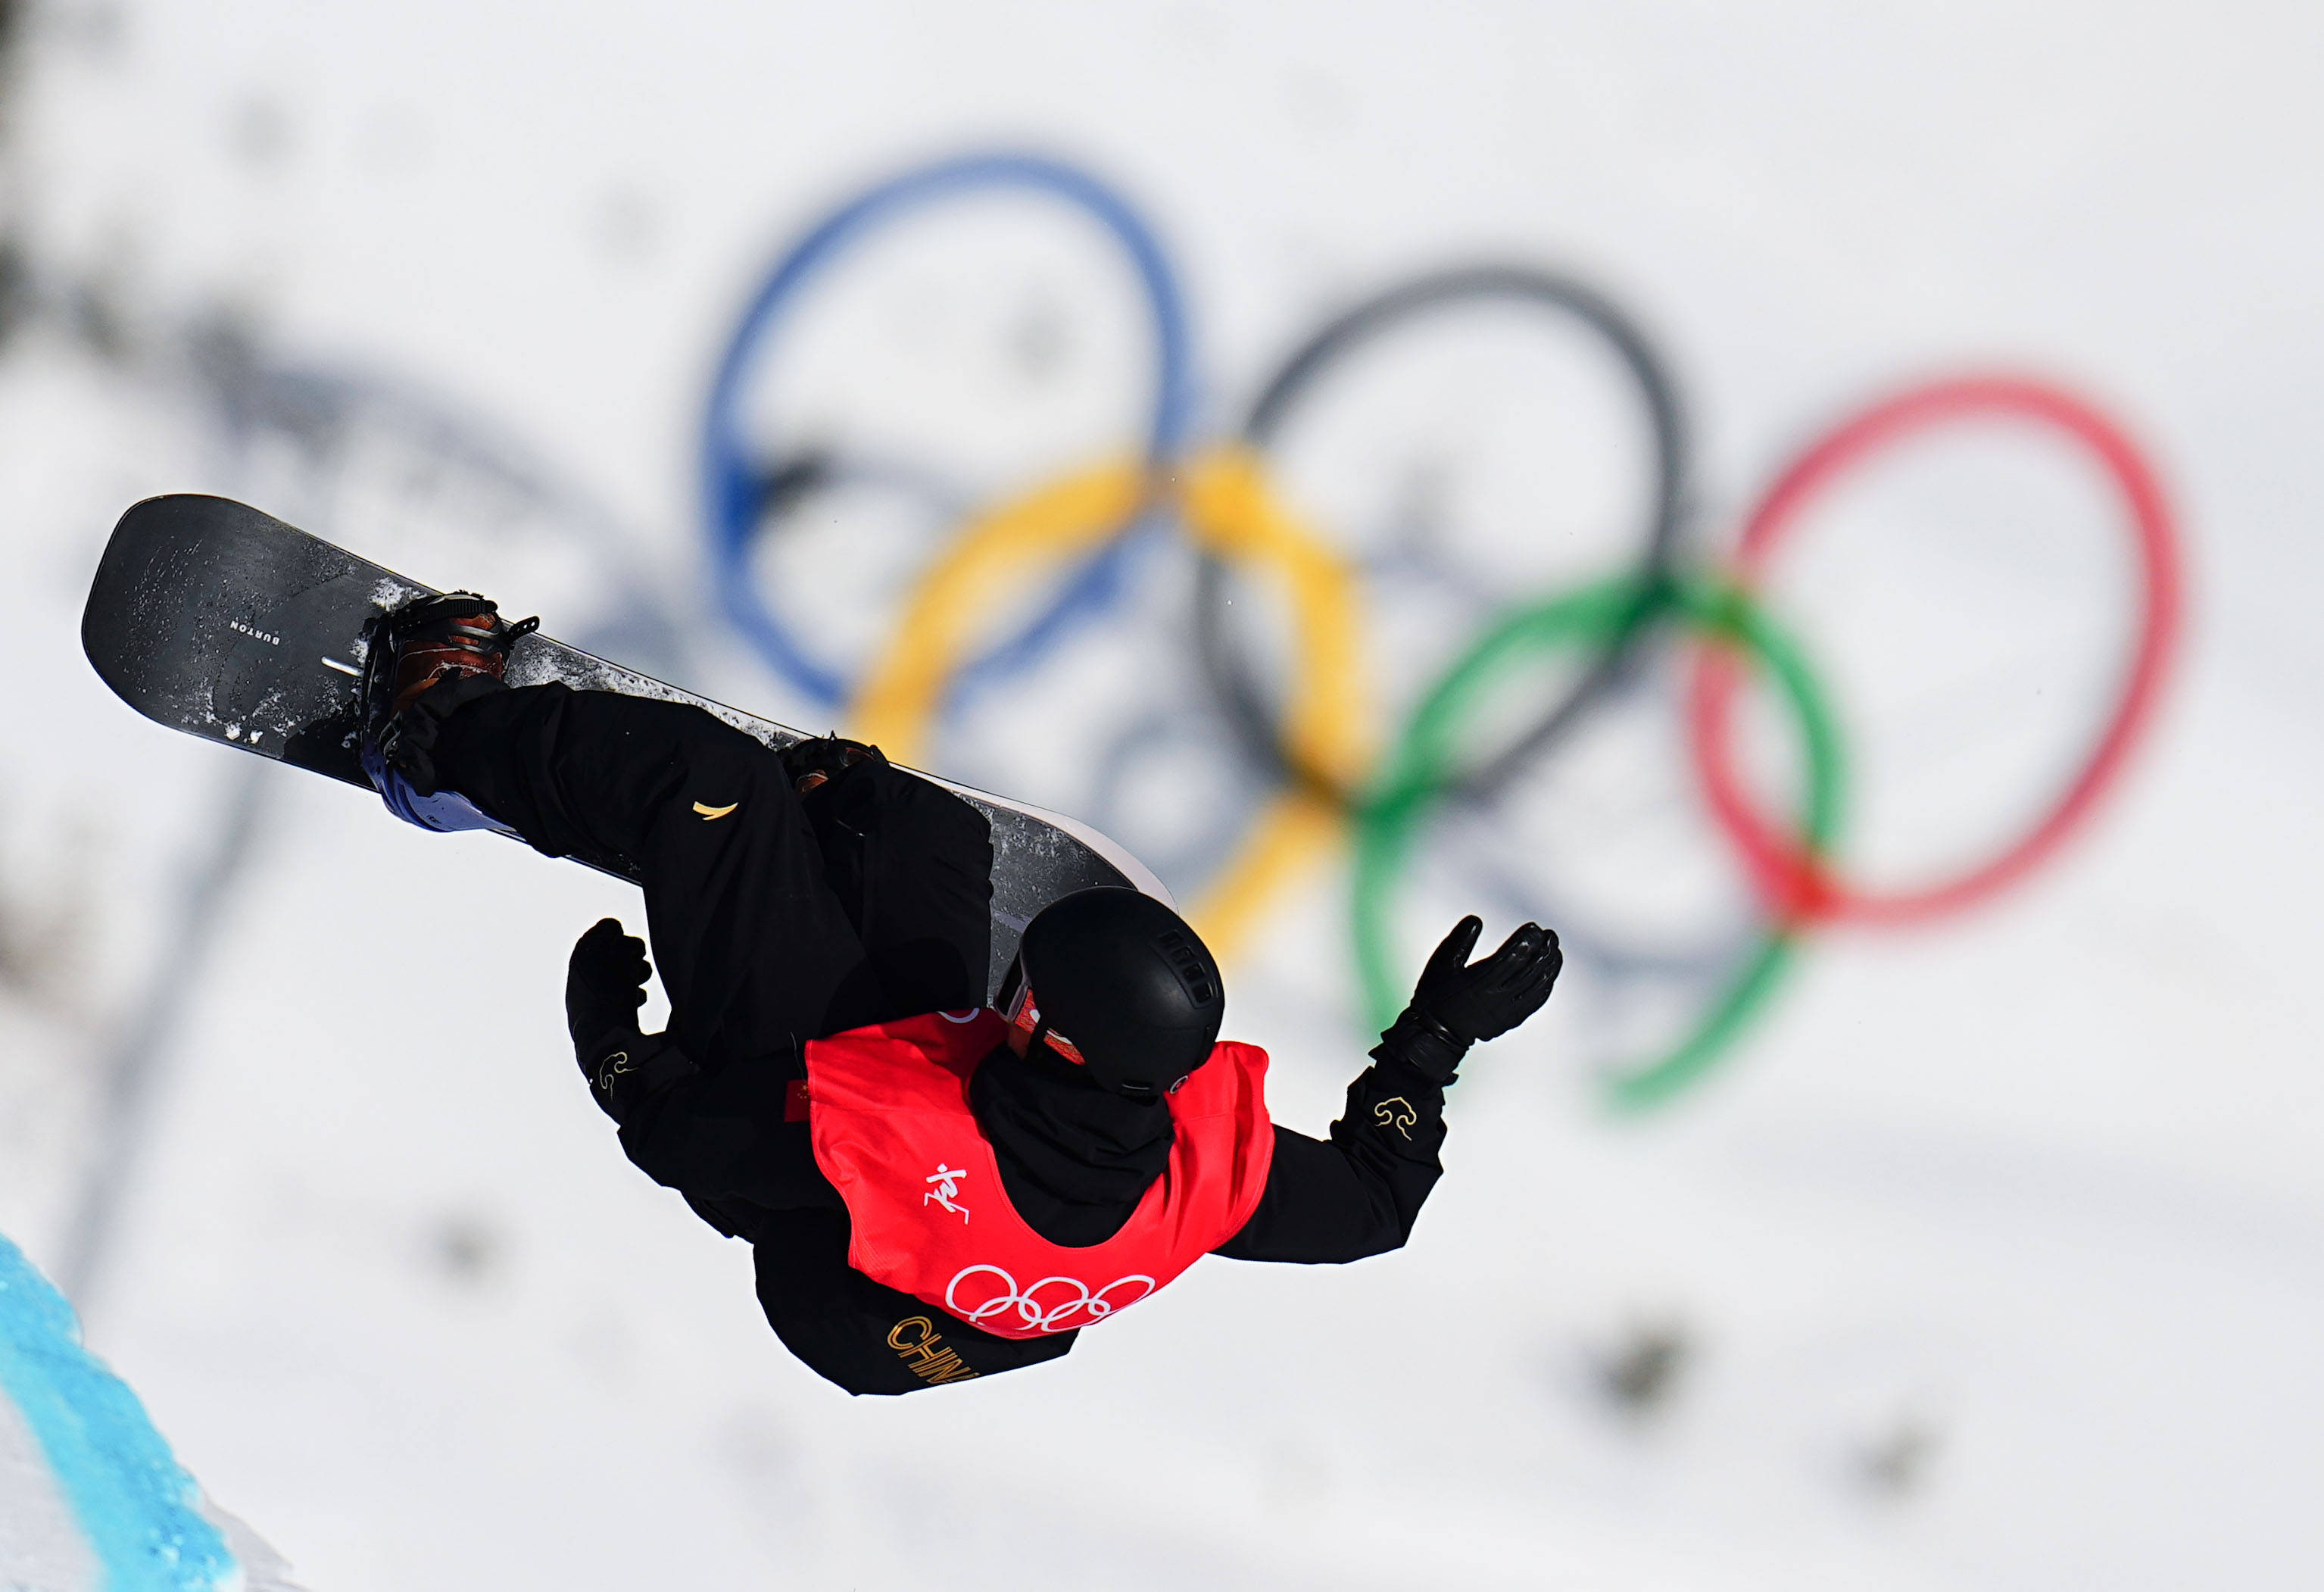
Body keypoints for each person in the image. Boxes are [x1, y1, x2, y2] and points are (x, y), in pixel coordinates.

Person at [358, 592, 1561, 1395]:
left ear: (1057, 1038)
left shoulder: (880, 1124)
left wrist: (619, 1047)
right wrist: (1432, 1041)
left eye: (1026, 991)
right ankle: (823, 840)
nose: (1014, 989)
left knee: (710, 786)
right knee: (924, 832)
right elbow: (1371, 1206)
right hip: (936, 1254)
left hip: (815, 1233)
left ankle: (434, 748)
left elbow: (685, 1140)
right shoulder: (1194, 1173)